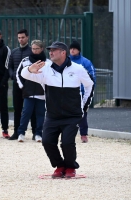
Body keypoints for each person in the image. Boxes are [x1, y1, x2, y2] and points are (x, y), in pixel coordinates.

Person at [21, 41, 94, 178]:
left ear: (63, 52)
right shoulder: (45, 69)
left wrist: (84, 106)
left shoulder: (77, 69)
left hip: (72, 115)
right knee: (47, 141)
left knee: (67, 142)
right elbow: (24, 74)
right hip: (53, 115)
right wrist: (30, 69)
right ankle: (60, 166)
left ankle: (71, 167)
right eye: (50, 50)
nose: (51, 52)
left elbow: (89, 85)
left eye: (54, 50)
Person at [16, 40, 48, 143]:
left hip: (41, 94)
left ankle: (38, 133)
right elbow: (18, 73)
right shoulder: (25, 61)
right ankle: (21, 133)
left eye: (37, 49)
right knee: (26, 113)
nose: (34, 51)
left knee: (40, 114)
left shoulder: (47, 62)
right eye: (33, 48)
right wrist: (22, 86)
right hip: (28, 93)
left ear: (41, 49)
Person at [8, 29, 37, 140]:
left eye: (23, 37)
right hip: (16, 84)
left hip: (30, 84)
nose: (21, 39)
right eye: (19, 37)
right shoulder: (14, 52)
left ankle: (35, 132)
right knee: (17, 108)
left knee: (32, 108)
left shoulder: (32, 52)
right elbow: (10, 66)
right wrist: (13, 75)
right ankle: (17, 131)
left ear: (27, 37)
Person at [69, 40, 96, 143]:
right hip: (68, 92)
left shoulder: (86, 62)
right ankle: (68, 134)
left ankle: (83, 134)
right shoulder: (66, 60)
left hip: (81, 92)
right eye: (71, 48)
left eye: (74, 48)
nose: (72, 50)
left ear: (78, 50)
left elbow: (92, 77)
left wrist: (89, 91)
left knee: (82, 114)